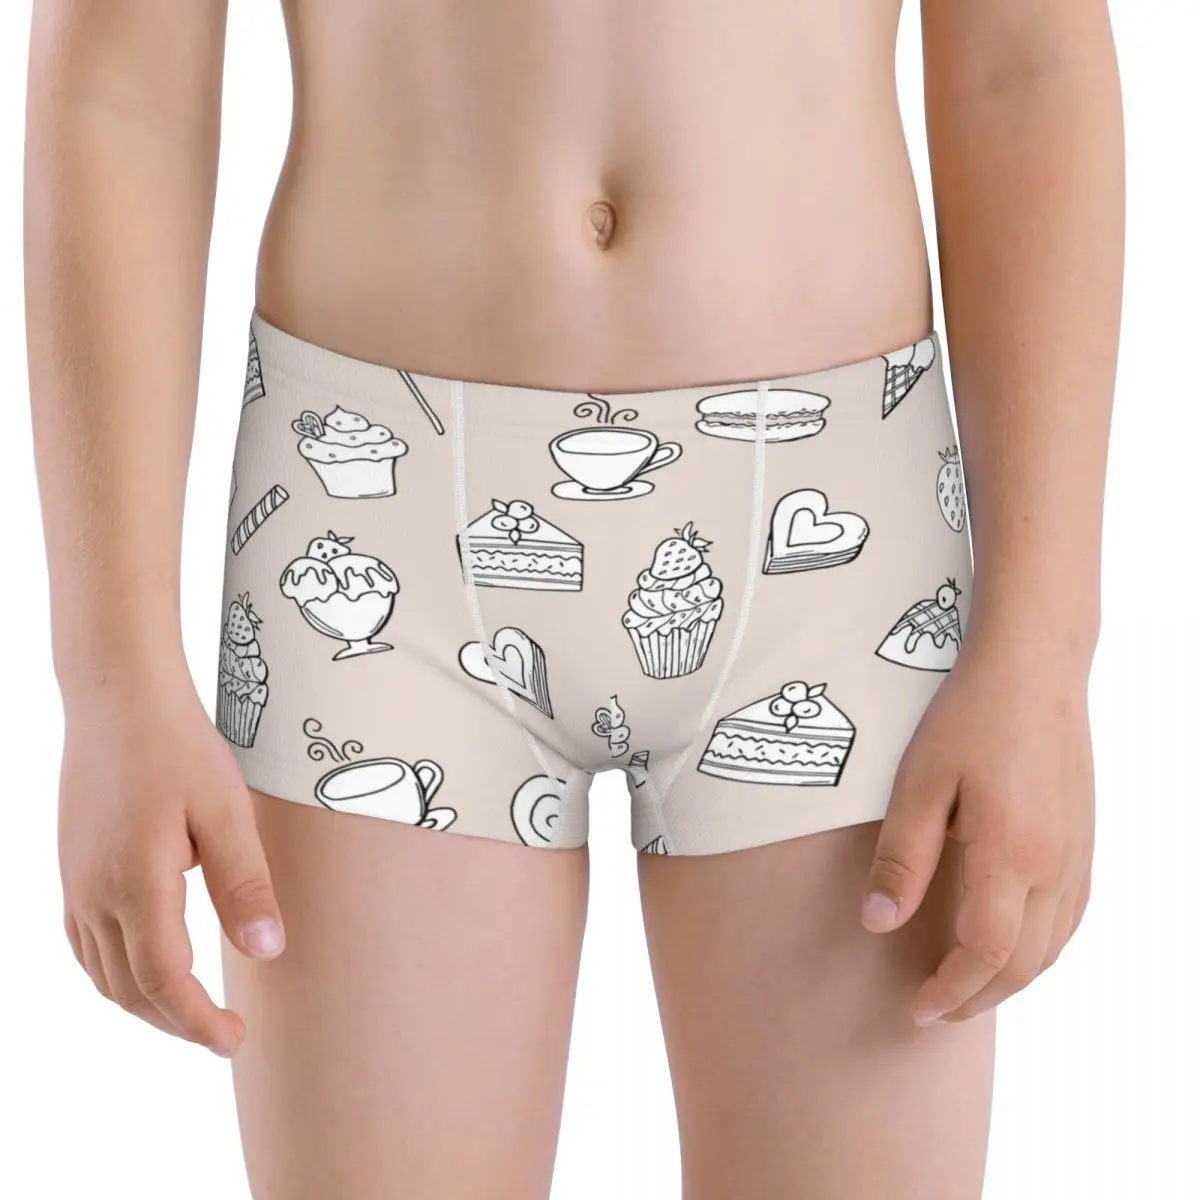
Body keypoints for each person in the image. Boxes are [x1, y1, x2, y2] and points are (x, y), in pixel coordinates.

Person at [25, 0, 1122, 1196]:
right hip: (376, 505)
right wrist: (111, 677)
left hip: (835, 529)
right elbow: (120, 83)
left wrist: (1042, 651)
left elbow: (1029, 63)